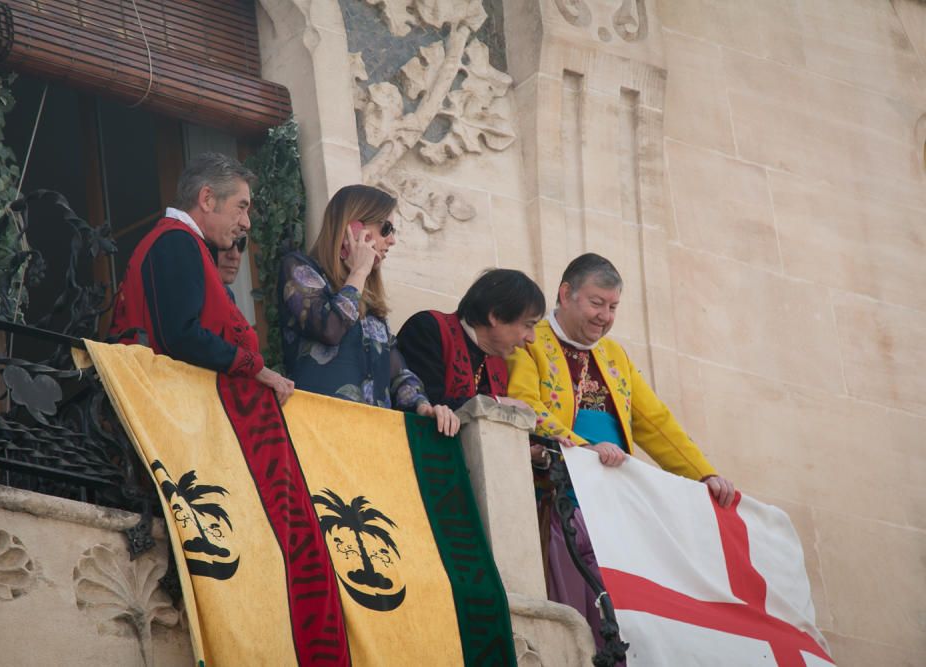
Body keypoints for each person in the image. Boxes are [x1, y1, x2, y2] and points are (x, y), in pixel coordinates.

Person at [507, 252, 735, 651]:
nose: (605, 316)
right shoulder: (530, 341)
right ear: (566, 293)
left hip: (612, 505)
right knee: (575, 610)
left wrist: (703, 473)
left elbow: (657, 423)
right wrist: (583, 448)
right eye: (596, 303)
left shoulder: (616, 356)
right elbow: (525, 405)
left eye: (613, 307)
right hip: (559, 496)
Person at [110, 152, 293, 403]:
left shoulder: (182, 241)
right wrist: (255, 367)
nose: (246, 223)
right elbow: (181, 335)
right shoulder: (176, 240)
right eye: (241, 207)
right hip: (165, 402)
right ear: (207, 199)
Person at [277, 184, 458, 435]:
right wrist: (359, 271)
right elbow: (329, 328)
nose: (392, 240)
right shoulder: (299, 269)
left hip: (372, 437)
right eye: (386, 229)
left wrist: (423, 405)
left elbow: (398, 372)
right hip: (317, 430)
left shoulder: (369, 303)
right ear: (353, 228)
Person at [397, 268, 545, 410]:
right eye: (528, 325)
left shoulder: (499, 360)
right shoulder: (428, 329)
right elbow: (424, 406)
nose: (532, 338)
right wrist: (496, 403)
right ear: (495, 316)